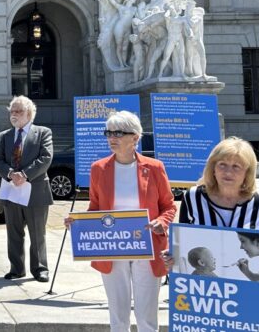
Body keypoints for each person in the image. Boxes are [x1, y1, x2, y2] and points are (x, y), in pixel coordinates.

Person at [64, 110, 176, 332]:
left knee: (146, 316)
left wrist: (162, 222)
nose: (111, 138)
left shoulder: (154, 168)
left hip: (148, 246)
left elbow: (169, 206)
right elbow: (95, 208)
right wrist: (78, 222)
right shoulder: (98, 168)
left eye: (118, 133)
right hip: (112, 248)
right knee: (118, 315)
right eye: (108, 133)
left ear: (135, 138)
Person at [0, 95, 53, 283]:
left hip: (35, 191)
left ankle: (40, 269)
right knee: (14, 232)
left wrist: (25, 174)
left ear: (29, 113)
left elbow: (45, 158)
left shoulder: (43, 132)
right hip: (11, 190)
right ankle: (16, 269)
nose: (14, 115)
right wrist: (11, 174)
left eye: (18, 111)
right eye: (12, 111)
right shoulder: (4, 136)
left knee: (37, 233)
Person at [177, 137, 259, 229]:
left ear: (247, 172)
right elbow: (182, 239)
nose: (228, 172)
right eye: (222, 165)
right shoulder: (193, 197)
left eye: (236, 166)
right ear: (213, 168)